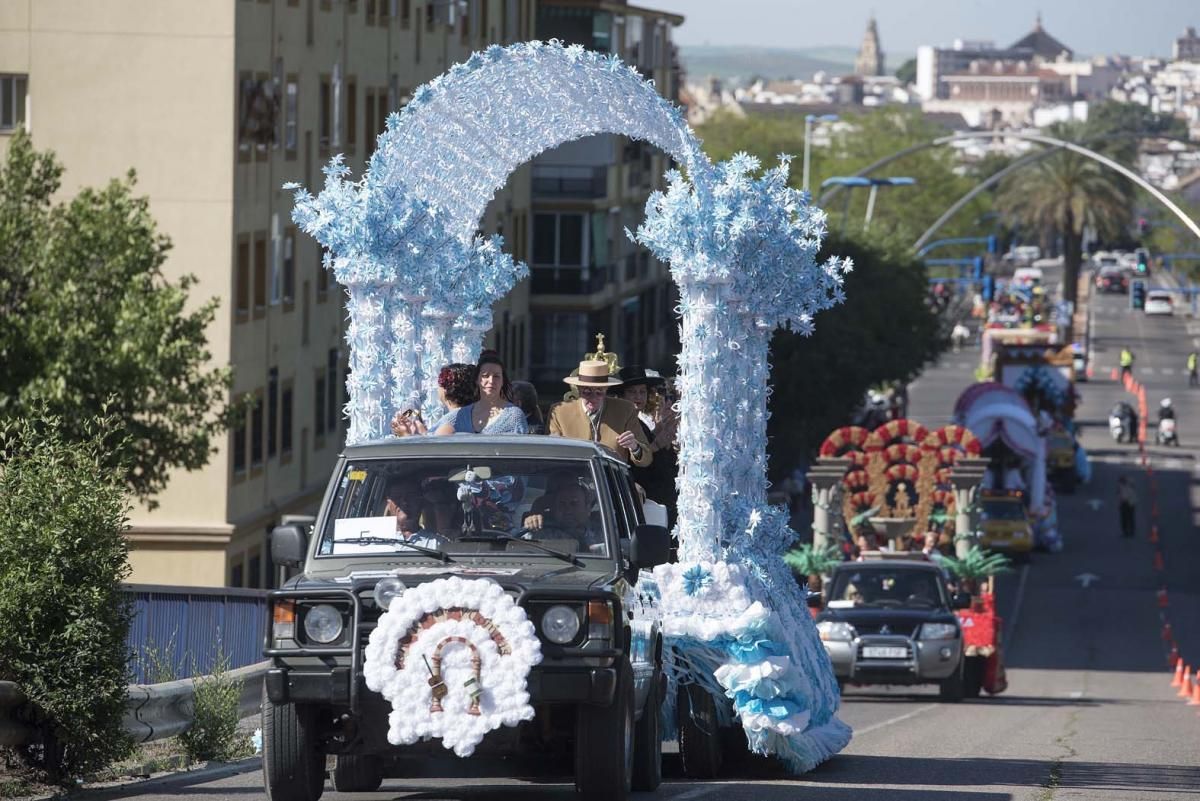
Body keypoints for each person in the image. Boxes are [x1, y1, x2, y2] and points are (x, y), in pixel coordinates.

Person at [547, 360, 652, 466]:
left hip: (611, 478)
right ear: (578, 389)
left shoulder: (625, 410)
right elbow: (549, 455)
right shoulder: (559, 412)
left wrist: (635, 447)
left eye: (599, 392)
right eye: (587, 392)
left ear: (606, 389)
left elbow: (647, 459)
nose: (593, 398)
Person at [616, 365, 678, 520]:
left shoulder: (639, 422)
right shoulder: (620, 422)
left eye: (642, 392)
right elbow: (633, 459)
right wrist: (657, 443)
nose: (638, 397)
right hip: (641, 496)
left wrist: (659, 431)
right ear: (622, 396)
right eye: (632, 392)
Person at [439, 351, 527, 435]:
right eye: (485, 376)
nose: (491, 381)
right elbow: (433, 438)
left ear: (503, 381)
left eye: (496, 376)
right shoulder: (461, 415)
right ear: (477, 380)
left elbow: (521, 449)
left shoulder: (514, 416)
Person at [390, 362, 477, 437]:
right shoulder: (472, 416)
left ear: (445, 389)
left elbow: (432, 451)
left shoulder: (452, 422)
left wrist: (406, 435)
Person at [524, 481, 604, 548]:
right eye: (562, 504)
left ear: (587, 508)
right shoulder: (540, 535)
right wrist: (530, 525)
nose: (568, 510)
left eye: (574, 503)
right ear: (554, 510)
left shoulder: (605, 532)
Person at [382, 476, 450, 550]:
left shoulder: (437, 544)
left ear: (420, 502)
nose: (404, 502)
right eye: (397, 497)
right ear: (389, 504)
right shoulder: (375, 541)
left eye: (410, 497)